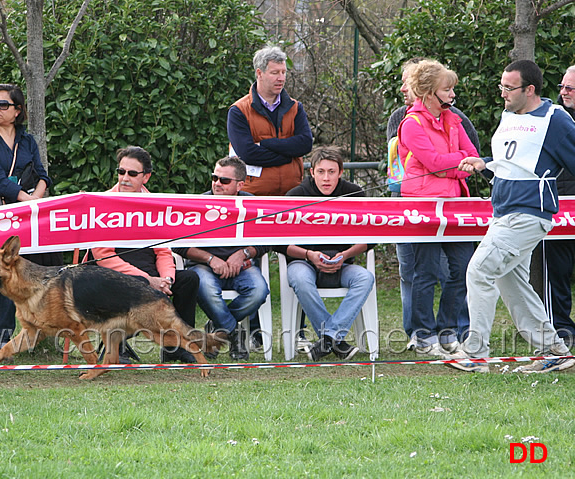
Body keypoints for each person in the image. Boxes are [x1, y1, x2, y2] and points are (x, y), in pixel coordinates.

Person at [452, 60, 575, 373]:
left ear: (529, 89)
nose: (503, 93)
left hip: (528, 213)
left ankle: (475, 355)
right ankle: (553, 351)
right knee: (511, 281)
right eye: (501, 86)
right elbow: (515, 161)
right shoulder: (508, 115)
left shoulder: (555, 119)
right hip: (503, 211)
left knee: (479, 271)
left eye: (509, 87)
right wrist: (485, 164)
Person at [386, 58, 481, 349]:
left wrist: (454, 165)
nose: (453, 95)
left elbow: (474, 156)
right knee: (424, 272)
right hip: (423, 206)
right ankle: (422, 333)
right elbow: (434, 163)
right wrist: (459, 163)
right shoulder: (410, 124)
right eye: (447, 89)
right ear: (429, 93)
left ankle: (447, 329)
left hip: (456, 206)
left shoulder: (454, 119)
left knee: (463, 269)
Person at [90, 146, 200, 364]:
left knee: (189, 280)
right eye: (121, 172)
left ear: (146, 177)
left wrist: (166, 280)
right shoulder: (102, 203)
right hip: (113, 274)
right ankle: (115, 351)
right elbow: (103, 256)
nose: (124, 178)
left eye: (132, 174)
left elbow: (163, 250)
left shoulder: (155, 203)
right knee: (129, 282)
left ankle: (177, 347)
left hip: (151, 273)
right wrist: (148, 280)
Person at [0, 84, 52, 361]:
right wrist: (24, 199)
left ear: (17, 111)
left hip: (22, 215)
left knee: (11, 278)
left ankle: (6, 343)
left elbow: (42, 174)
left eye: (3, 104)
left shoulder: (27, 141)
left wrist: (36, 200)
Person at [277, 146, 375, 361]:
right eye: (321, 172)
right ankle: (336, 340)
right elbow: (279, 243)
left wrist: (346, 255)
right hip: (304, 261)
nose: (326, 178)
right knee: (300, 279)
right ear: (311, 173)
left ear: (340, 172)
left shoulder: (355, 192)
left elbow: (371, 238)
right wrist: (309, 255)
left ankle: (328, 339)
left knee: (365, 277)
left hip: (343, 262)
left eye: (332, 172)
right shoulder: (295, 195)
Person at [173, 156, 270, 361]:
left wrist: (243, 253)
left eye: (224, 180)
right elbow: (178, 244)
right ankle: (233, 334)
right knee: (205, 287)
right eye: (214, 178)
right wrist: (210, 259)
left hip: (242, 266)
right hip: (204, 266)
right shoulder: (197, 204)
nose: (217, 183)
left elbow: (269, 241)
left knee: (259, 290)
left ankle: (218, 326)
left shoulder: (252, 205)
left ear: (240, 185)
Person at [227, 45, 313, 196]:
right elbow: (248, 154)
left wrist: (266, 144)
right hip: (254, 196)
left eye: (283, 72)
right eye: (275, 73)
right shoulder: (238, 111)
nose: (281, 78)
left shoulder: (295, 107)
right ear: (259, 73)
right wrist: (289, 156)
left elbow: (305, 144)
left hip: (292, 194)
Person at [540, 66, 575, 347]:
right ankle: (561, 327)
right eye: (562, 87)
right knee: (558, 272)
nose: (563, 92)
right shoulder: (553, 119)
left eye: (569, 88)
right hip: (560, 205)